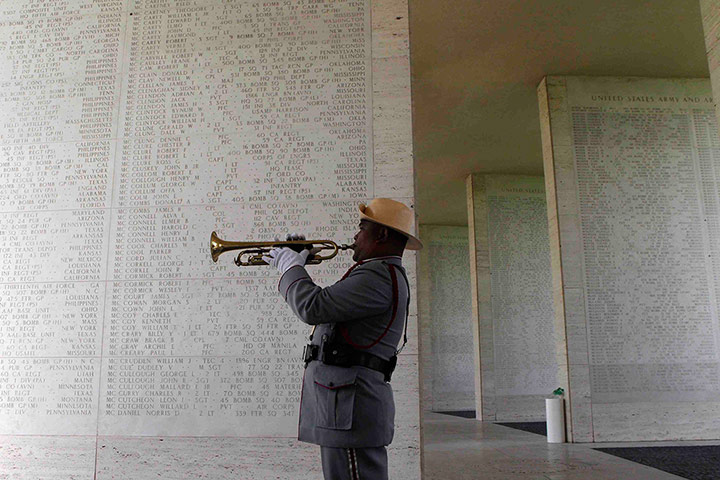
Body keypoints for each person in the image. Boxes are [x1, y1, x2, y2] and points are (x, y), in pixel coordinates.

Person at [263, 198, 422, 480]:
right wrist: (299, 260)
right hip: (346, 404)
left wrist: (290, 267)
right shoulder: (378, 271)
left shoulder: (378, 275)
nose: (355, 236)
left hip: (351, 406)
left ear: (382, 234)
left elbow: (313, 307)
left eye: (362, 228)